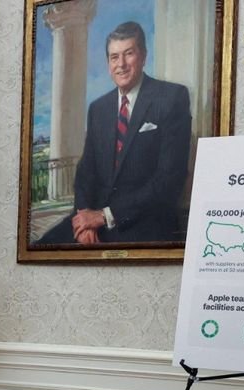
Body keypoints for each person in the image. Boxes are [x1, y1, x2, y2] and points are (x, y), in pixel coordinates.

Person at [37, 21, 191, 244]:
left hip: (143, 221)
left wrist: (104, 216)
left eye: (129, 54)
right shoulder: (98, 108)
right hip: (95, 219)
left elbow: (169, 179)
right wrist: (84, 218)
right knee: (41, 247)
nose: (121, 65)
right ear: (108, 63)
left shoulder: (171, 98)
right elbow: (85, 172)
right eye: (114, 57)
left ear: (143, 56)